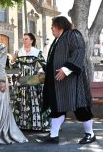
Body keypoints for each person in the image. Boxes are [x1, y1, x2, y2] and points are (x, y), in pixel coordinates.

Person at [36, 16, 96, 144]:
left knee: (80, 107)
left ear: (59, 26)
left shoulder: (73, 34)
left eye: (52, 27)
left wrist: (66, 69)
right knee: (57, 108)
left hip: (73, 82)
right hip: (59, 84)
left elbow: (79, 51)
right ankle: (53, 136)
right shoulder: (57, 41)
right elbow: (55, 61)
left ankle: (90, 134)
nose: (51, 29)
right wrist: (44, 69)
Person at [11, 33, 50, 131]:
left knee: (34, 100)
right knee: (22, 101)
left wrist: (40, 72)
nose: (24, 41)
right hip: (22, 80)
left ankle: (36, 125)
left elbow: (45, 65)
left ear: (32, 40)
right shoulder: (19, 52)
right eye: (23, 39)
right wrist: (13, 59)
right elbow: (13, 66)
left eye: (26, 39)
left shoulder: (37, 52)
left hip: (33, 79)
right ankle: (23, 125)